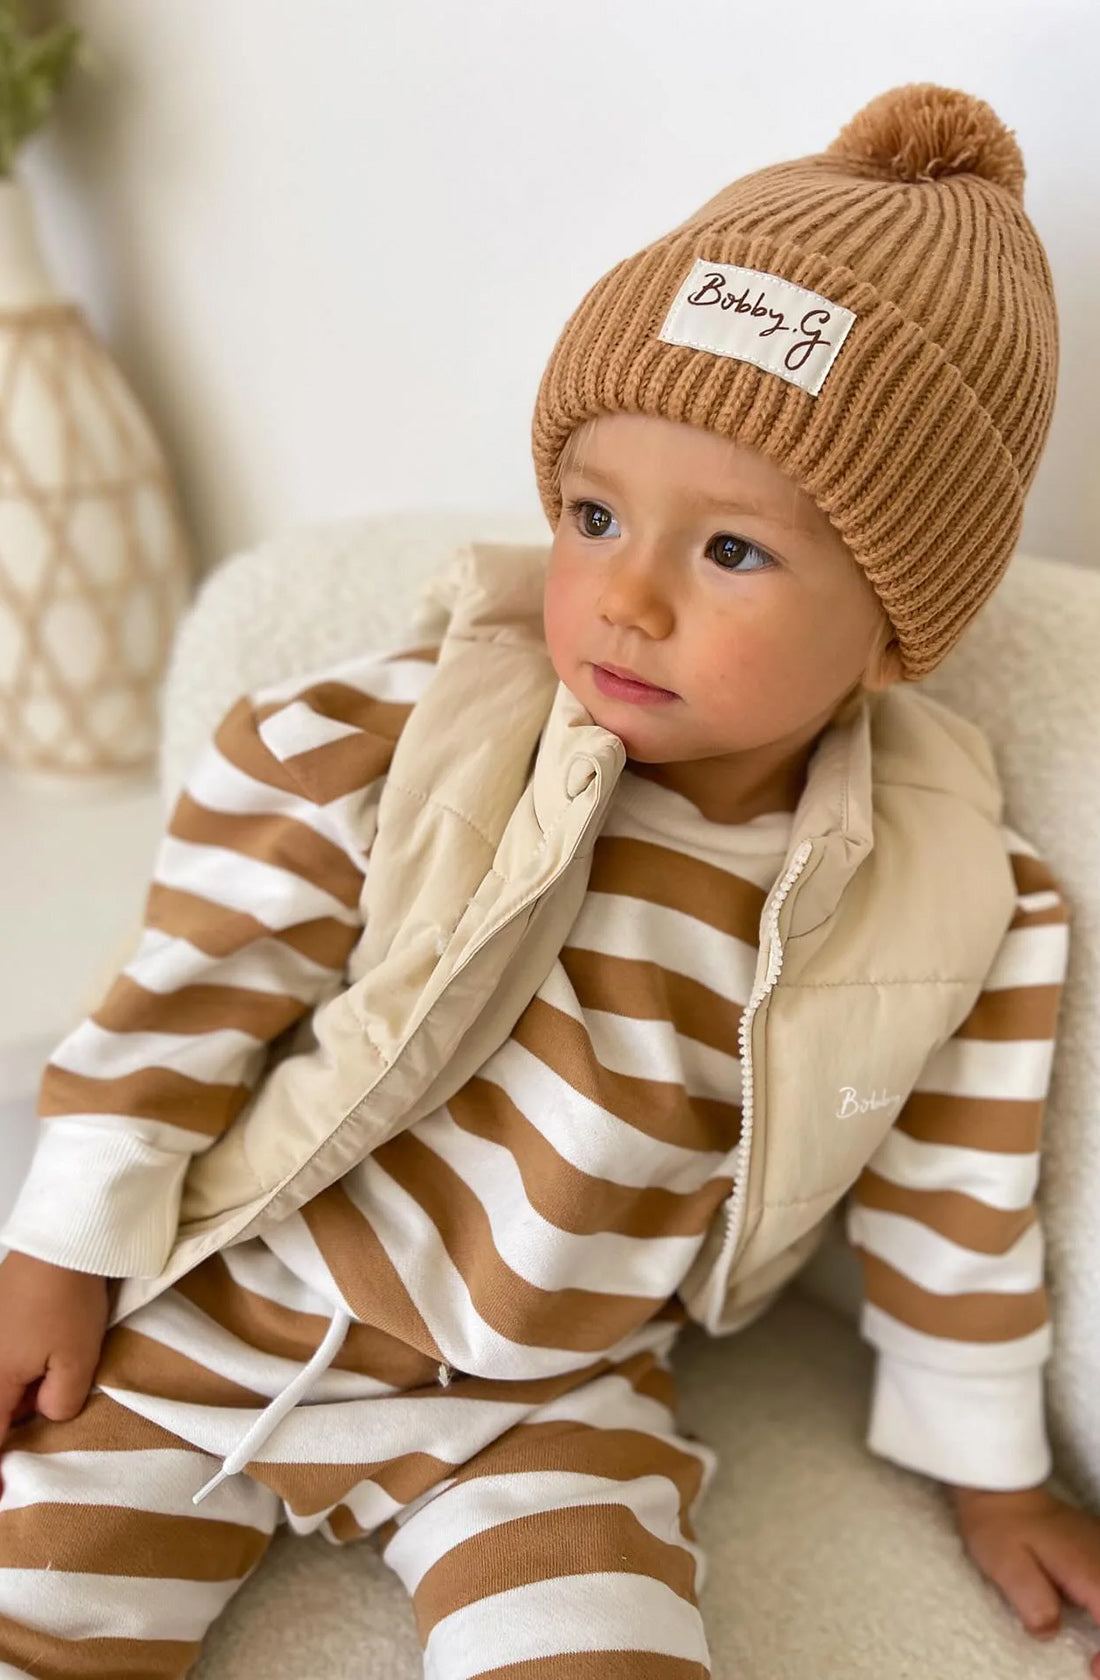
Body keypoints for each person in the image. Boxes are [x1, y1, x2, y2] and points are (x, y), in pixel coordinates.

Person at [1, 80, 1099, 1680]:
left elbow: (957, 1208)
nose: (627, 598)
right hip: (244, 1295)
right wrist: (61, 1248)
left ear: (895, 620)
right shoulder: (417, 729)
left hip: (551, 1398)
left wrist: (998, 1481)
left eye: (730, 551)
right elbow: (194, 980)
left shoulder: (955, 900)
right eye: (593, 514)